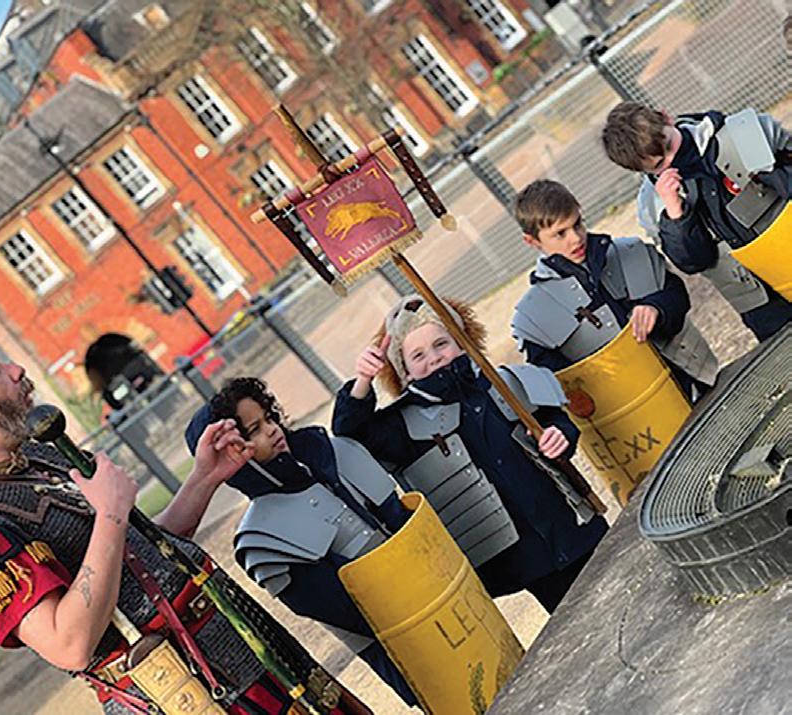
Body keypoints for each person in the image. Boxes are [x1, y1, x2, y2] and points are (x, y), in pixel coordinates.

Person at [0, 340, 368, 715]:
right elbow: (68, 644)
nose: (16, 371)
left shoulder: (41, 460)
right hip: (185, 693)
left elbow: (147, 557)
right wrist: (110, 515)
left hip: (245, 649)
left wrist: (204, 477)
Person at [332, 296, 608, 613]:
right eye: (417, 355)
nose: (434, 358)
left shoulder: (503, 382)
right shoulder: (400, 427)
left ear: (462, 341)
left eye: (441, 343)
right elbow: (348, 432)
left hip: (575, 527)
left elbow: (556, 421)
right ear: (404, 371)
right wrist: (363, 381)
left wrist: (561, 436)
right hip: (525, 559)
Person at [184, 377, 417, 707]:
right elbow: (341, 609)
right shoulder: (261, 539)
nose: (271, 430)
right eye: (253, 430)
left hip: (442, 594)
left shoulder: (333, 455)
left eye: (268, 418)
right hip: (395, 643)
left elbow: (403, 521)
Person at [511, 179, 717, 401]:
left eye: (577, 224)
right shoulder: (534, 317)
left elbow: (676, 294)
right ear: (531, 241)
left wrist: (657, 308)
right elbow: (562, 384)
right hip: (632, 411)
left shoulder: (631, 251)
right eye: (560, 234)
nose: (576, 238)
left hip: (699, 381)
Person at [601, 102, 792, 341]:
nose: (672, 160)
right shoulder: (653, 205)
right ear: (639, 169)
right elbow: (695, 262)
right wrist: (676, 215)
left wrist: (764, 173)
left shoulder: (742, 133)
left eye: (669, 145)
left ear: (666, 117)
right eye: (659, 165)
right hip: (761, 303)